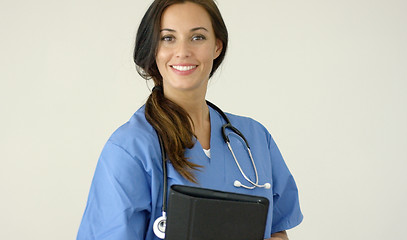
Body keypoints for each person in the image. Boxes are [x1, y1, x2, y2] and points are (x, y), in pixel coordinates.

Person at [77, 0, 303, 239]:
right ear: (153, 49)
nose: (183, 51)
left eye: (197, 37)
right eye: (168, 38)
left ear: (217, 46)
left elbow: (278, 229)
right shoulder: (130, 148)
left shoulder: (254, 138)